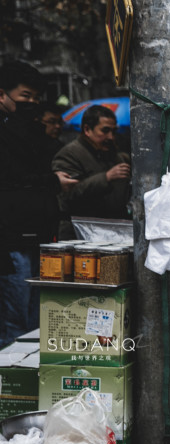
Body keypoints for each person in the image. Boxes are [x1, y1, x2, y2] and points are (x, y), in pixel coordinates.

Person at [0, 61, 76, 348]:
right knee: (15, 321)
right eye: (25, 96)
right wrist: (52, 181)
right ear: (2, 95)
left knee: (35, 319)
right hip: (11, 242)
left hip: (37, 238)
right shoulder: (8, 132)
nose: (32, 103)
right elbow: (11, 180)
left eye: (36, 98)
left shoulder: (28, 129)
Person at [51, 104, 131, 221]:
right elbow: (69, 194)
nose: (111, 137)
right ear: (87, 130)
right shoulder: (69, 154)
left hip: (114, 226)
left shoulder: (116, 155)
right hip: (81, 229)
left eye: (113, 131)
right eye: (105, 131)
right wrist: (106, 177)